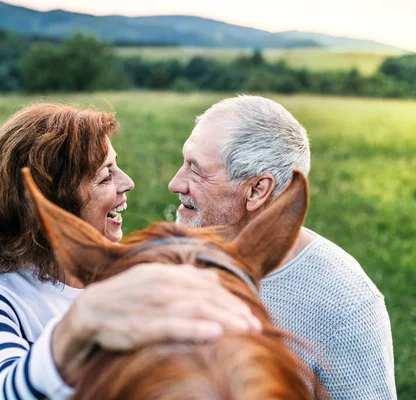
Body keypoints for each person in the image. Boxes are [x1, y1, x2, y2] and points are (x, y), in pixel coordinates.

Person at [0, 104, 262, 399]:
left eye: (117, 167)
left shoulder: (130, 268)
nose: (127, 183)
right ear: (56, 202)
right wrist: (79, 326)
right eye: (106, 175)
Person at [168, 95, 397, 399]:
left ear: (257, 190)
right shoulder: (176, 257)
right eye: (184, 162)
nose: (175, 182)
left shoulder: (344, 304)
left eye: (196, 169)